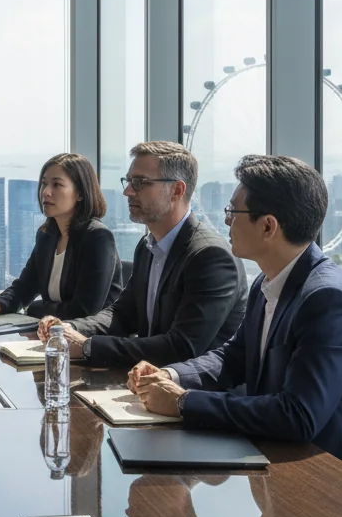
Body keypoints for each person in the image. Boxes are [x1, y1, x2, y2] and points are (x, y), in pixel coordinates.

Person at [131, 154, 342, 477]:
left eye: (233, 211)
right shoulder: (269, 280)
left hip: (341, 477)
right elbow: (233, 356)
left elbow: (298, 415)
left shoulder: (328, 300)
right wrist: (171, 376)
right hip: (282, 459)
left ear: (268, 226)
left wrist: (183, 402)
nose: (227, 221)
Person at [38, 141, 246, 369]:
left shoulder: (209, 256)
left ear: (177, 190)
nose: (128, 191)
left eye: (140, 183)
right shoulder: (147, 246)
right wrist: (71, 329)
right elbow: (123, 314)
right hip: (149, 382)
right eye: (128, 182)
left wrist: (88, 346)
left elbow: (181, 347)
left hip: (195, 394)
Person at [0, 153, 122, 323]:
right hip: (54, 335)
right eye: (44, 184)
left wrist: (36, 308)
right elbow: (26, 286)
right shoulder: (46, 236)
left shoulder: (97, 237)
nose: (46, 192)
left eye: (57, 185)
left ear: (80, 194)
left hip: (91, 340)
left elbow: (84, 310)